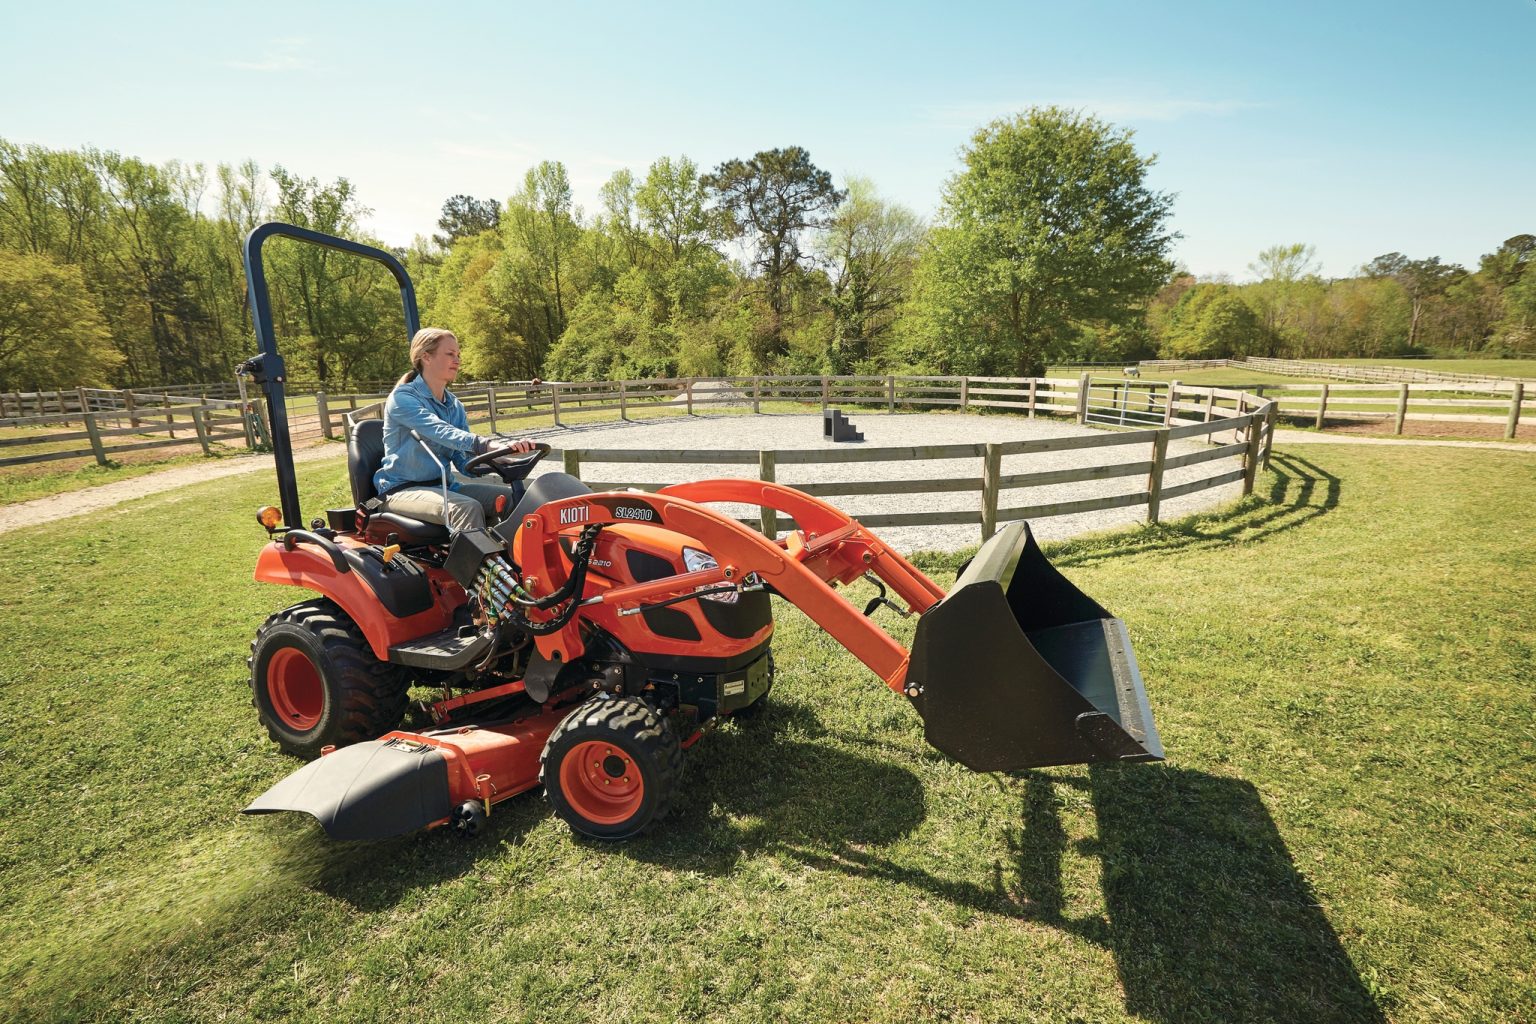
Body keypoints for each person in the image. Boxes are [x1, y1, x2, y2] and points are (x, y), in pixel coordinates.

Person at [373, 327, 536, 534]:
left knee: (519, 501)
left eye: (458, 355)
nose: (457, 360)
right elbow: (440, 431)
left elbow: (464, 461)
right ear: (426, 357)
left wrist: (500, 459)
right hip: (402, 490)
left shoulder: (454, 405)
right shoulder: (402, 398)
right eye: (450, 354)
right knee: (466, 508)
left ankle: (517, 563)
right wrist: (485, 444)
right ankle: (479, 566)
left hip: (445, 487)